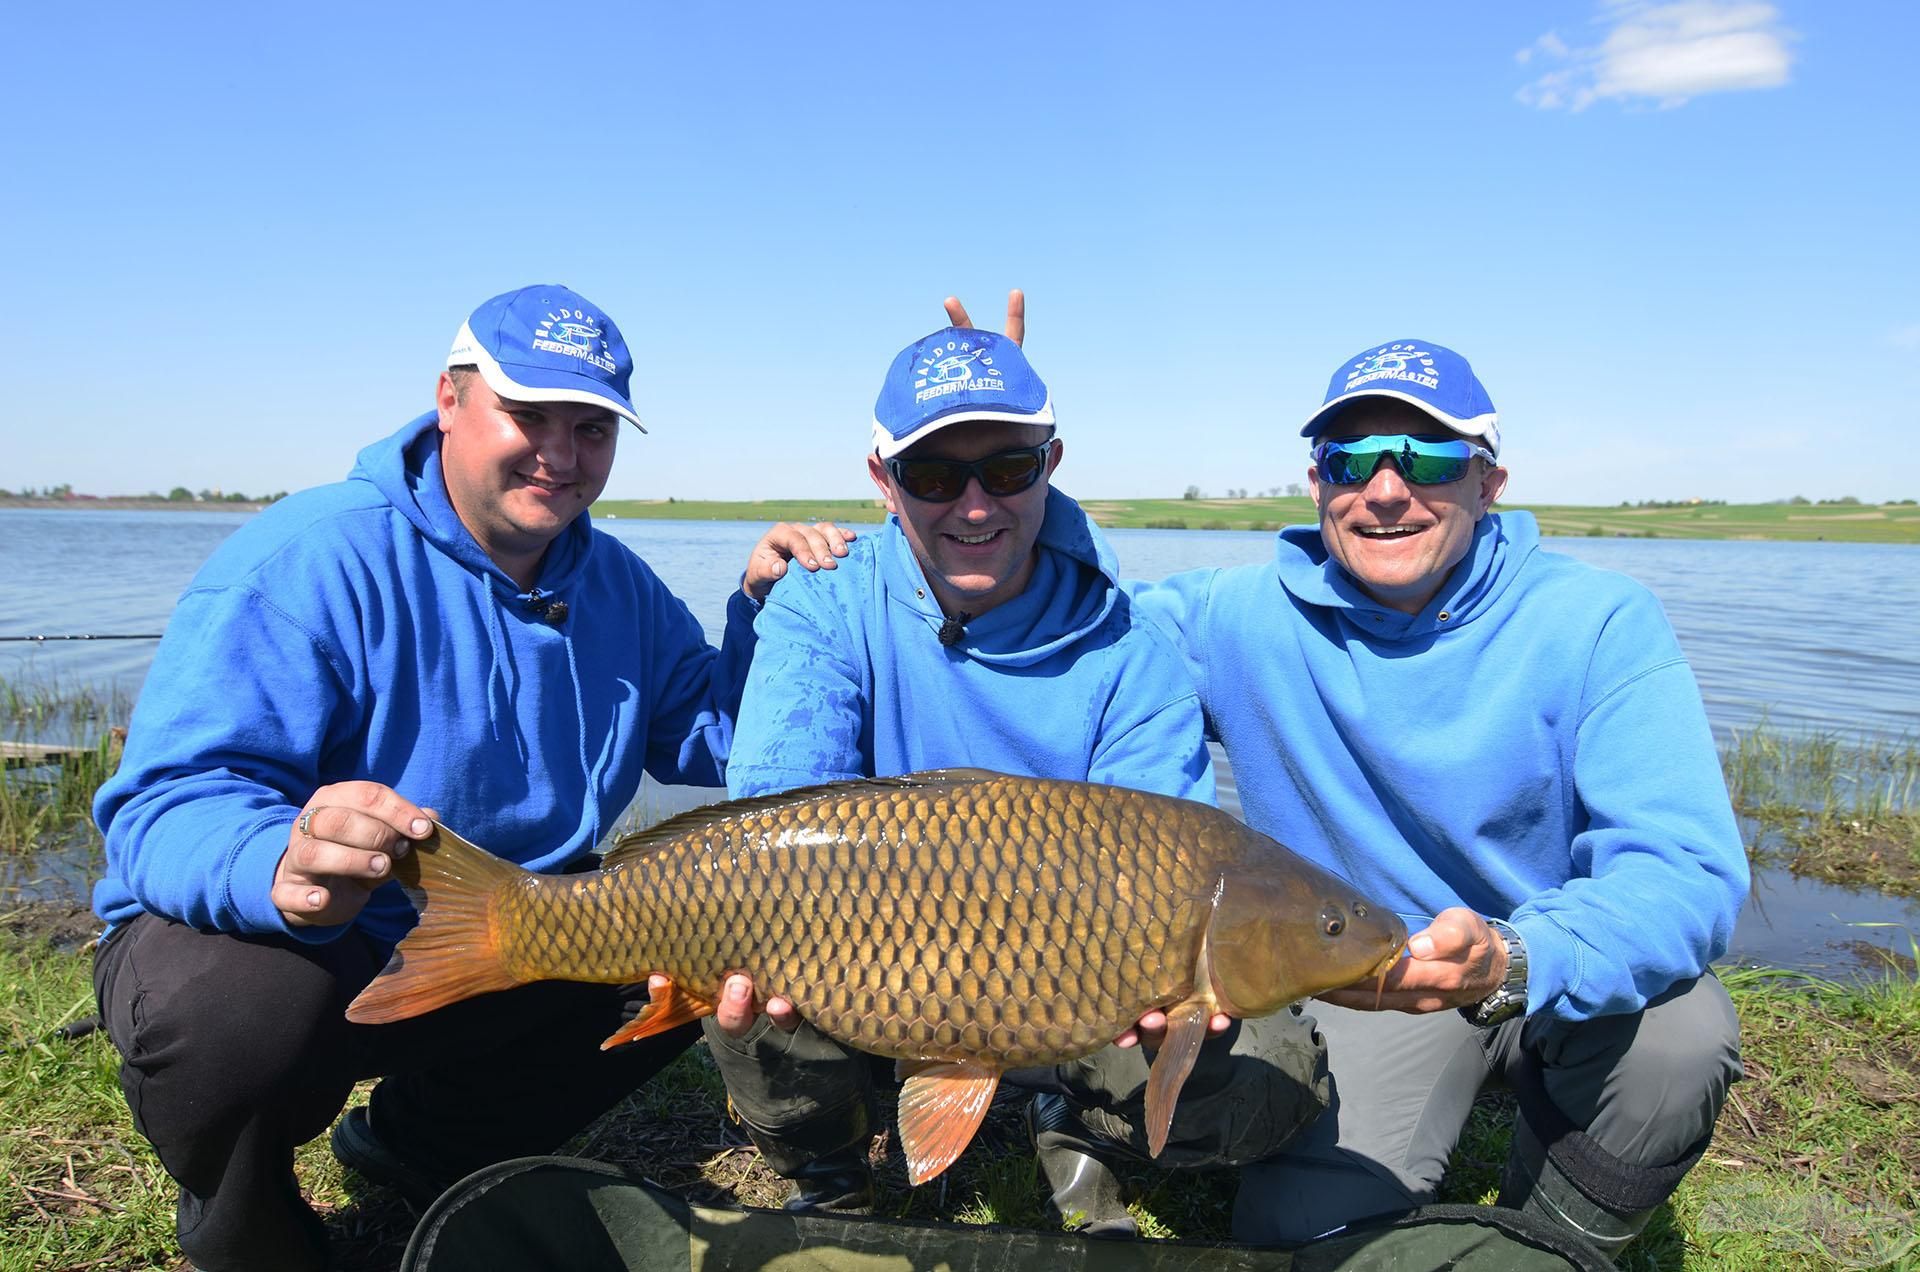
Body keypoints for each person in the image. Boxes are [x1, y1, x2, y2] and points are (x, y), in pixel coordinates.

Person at [89, 283, 852, 1272]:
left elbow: (714, 743)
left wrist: (763, 616)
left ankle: (417, 1147)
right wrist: (272, 861)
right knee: (235, 1018)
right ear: (450, 400)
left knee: (684, 949)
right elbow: (160, 802)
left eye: (592, 427)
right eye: (529, 416)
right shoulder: (307, 557)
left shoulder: (617, 584)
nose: (563, 454)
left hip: (496, 934)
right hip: (309, 943)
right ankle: (248, 1227)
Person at [1110, 338, 1749, 1256]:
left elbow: (1683, 869)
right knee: (1299, 1236)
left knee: (1678, 1041)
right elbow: (1066, 624)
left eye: (1429, 460)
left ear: (1490, 482)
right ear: (1317, 482)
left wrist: (1516, 959)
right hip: (1366, 981)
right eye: (1351, 460)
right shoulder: (1231, 618)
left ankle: (1554, 1241)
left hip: (1552, 965)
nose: (1383, 489)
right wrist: (997, 482)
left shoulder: (1600, 621)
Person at [706, 304, 1328, 1234]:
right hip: (857, 982)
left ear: (1052, 465)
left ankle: (1084, 1128)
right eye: (932, 473)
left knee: (1272, 1067)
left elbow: (1164, 867)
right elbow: (771, 816)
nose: (973, 506)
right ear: (882, 479)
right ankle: (826, 1164)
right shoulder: (824, 598)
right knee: (746, 958)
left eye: (1006, 468)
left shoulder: (1132, 651)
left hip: (1073, 998)